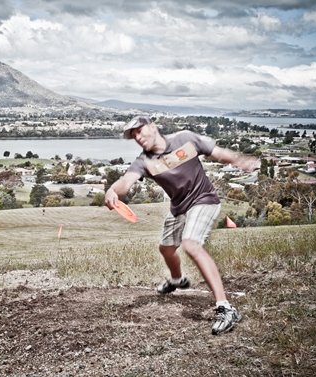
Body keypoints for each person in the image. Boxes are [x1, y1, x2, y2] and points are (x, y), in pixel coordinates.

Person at [105, 116, 258, 335]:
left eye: (140, 131)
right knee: (166, 249)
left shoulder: (185, 139)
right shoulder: (144, 161)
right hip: (178, 207)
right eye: (134, 135)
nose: (138, 137)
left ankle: (225, 307)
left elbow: (218, 152)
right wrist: (112, 190)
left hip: (204, 200)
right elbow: (126, 181)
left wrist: (239, 160)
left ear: (153, 127)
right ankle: (177, 280)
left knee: (191, 245)